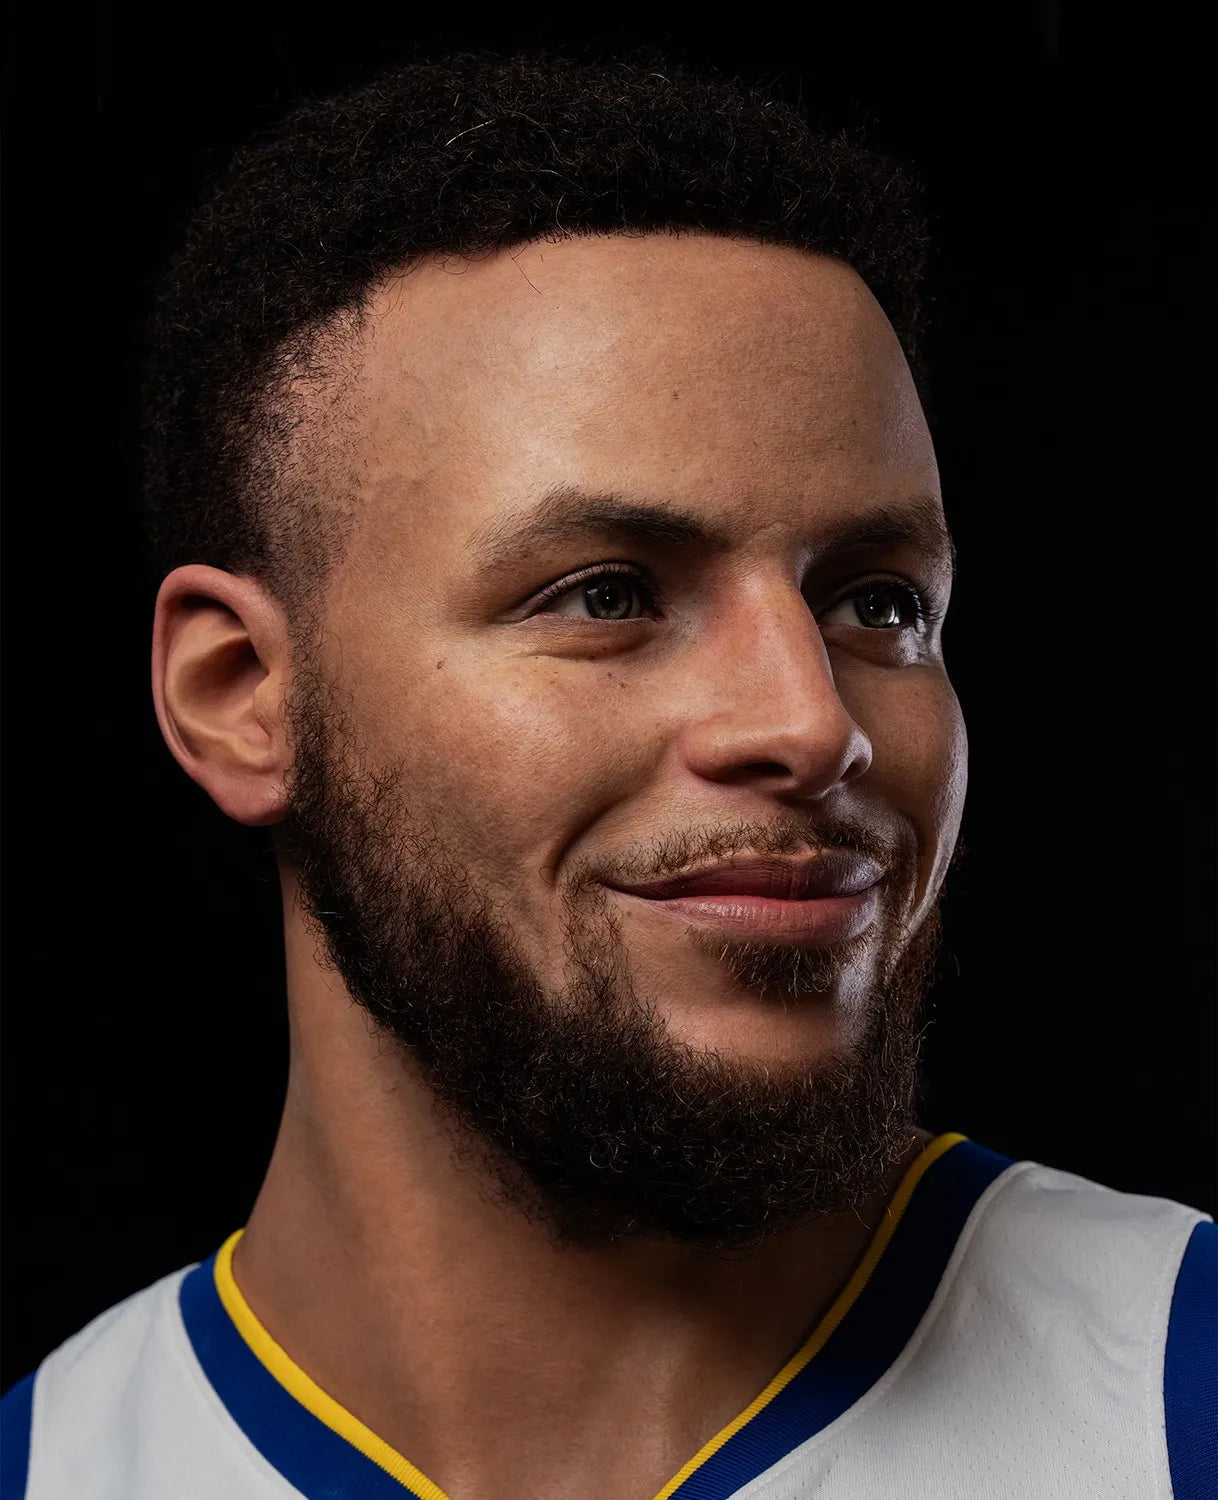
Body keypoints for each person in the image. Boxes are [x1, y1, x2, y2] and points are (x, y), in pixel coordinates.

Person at [1, 49, 1211, 1500]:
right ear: (241, 696)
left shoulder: (1177, 1390)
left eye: (878, 601)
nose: (810, 723)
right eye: (606, 593)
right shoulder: (52, 1464)